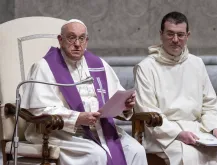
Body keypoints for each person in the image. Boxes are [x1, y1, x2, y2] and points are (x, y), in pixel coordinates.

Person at [21, 19, 147, 165]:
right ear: (60, 40)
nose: (77, 44)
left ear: (86, 41)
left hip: (100, 128)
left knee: (136, 150)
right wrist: (77, 118)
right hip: (60, 132)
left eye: (81, 38)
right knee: (96, 154)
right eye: (71, 37)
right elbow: (39, 109)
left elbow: (115, 97)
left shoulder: (98, 65)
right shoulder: (44, 67)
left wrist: (126, 105)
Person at [134, 11, 217, 165]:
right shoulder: (146, 67)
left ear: (188, 35)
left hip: (198, 130)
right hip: (164, 135)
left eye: (180, 35)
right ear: (161, 34)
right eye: (170, 34)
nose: (175, 40)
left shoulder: (196, 64)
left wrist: (214, 127)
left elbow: (210, 104)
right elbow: (146, 110)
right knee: (190, 155)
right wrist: (178, 133)